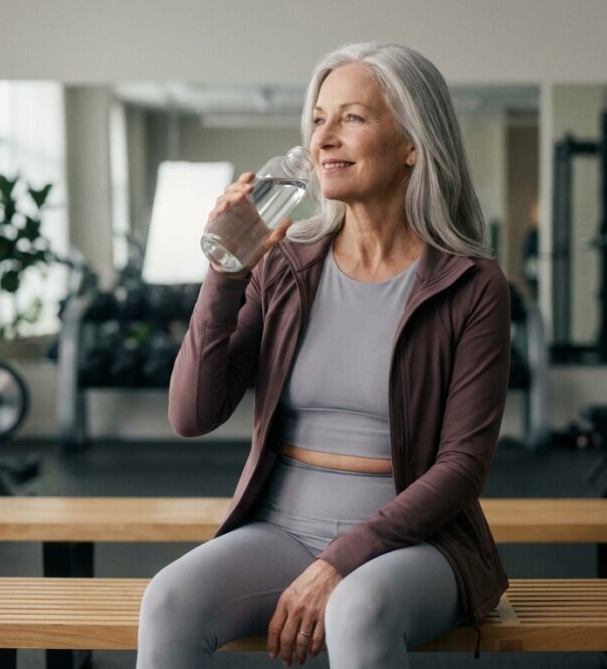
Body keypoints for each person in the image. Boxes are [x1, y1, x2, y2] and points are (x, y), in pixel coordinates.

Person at [138, 42, 511, 668]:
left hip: (416, 545)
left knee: (356, 610)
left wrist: (341, 560)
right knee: (168, 600)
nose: (325, 139)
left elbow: (463, 466)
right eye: (318, 119)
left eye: (353, 118)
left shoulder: (471, 284)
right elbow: (191, 415)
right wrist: (225, 272)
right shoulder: (284, 266)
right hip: (281, 527)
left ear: (413, 144)